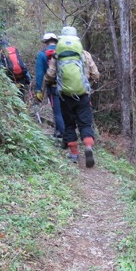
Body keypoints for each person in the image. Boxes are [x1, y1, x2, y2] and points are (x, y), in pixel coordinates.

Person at [45, 25, 100, 167]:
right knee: (85, 123)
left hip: (65, 96)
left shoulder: (57, 56)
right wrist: (88, 83)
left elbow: (50, 75)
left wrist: (50, 82)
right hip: (83, 95)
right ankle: (88, 146)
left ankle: (74, 154)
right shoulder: (84, 54)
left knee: (69, 124)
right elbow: (96, 74)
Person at [34, 32, 65, 138]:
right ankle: (59, 131)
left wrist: (38, 90)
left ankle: (64, 135)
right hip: (68, 86)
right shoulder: (63, 52)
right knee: (65, 110)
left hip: (53, 87)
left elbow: (39, 75)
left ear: (45, 43)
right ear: (56, 42)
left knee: (57, 111)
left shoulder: (42, 55)